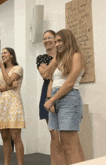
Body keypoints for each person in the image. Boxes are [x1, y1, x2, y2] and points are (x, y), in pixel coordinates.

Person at [44, 29, 86, 164]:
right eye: (55, 41)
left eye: (59, 41)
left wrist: (52, 100)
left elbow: (69, 83)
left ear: (68, 40)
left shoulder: (76, 56)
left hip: (69, 98)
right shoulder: (60, 59)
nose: (56, 44)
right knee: (66, 144)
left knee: (69, 146)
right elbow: (47, 76)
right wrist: (50, 98)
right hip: (55, 100)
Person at [36, 30, 66, 165]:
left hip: (63, 91)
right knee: (54, 135)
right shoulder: (41, 57)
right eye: (44, 39)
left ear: (56, 40)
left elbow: (53, 72)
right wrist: (56, 62)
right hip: (47, 93)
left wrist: (48, 68)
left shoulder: (65, 55)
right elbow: (46, 76)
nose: (46, 40)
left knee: (66, 134)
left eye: (49, 38)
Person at [0, 47, 25, 165]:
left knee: (16, 136)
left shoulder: (18, 68)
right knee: (5, 137)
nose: (2, 55)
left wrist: (2, 67)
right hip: (2, 105)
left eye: (5, 52)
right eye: (1, 53)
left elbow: (8, 81)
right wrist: (8, 88)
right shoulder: (0, 72)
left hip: (14, 104)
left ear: (12, 55)